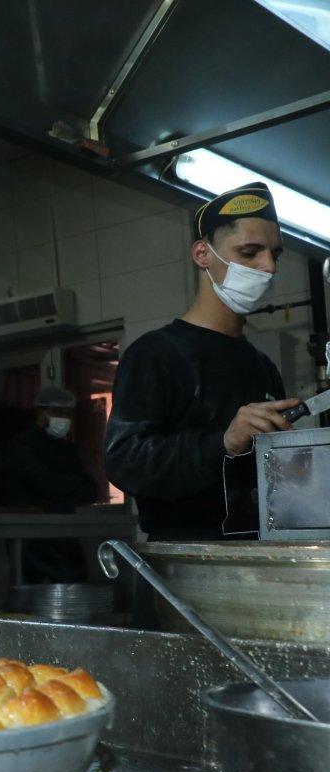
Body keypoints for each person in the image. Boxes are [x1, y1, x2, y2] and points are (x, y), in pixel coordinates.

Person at [104, 182, 301, 541]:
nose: (269, 267)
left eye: (275, 254)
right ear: (202, 255)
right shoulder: (157, 354)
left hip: (259, 551)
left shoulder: (261, 366)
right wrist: (222, 443)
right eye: (250, 252)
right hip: (185, 555)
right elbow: (125, 461)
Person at [0, 386, 98, 583]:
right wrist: (69, 486)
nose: (64, 418)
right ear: (41, 413)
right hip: (29, 537)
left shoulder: (67, 449)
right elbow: (48, 484)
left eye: (68, 413)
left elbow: (91, 490)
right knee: (30, 593)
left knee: (73, 587)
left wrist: (61, 488)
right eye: (58, 412)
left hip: (64, 534)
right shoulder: (22, 446)